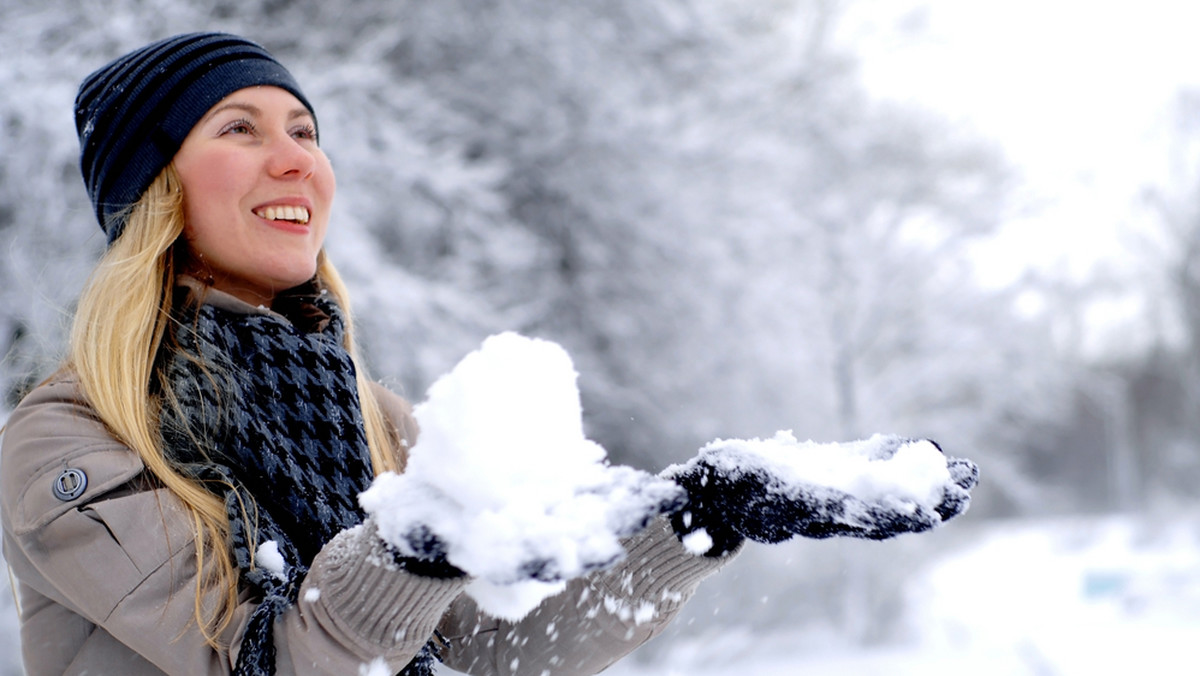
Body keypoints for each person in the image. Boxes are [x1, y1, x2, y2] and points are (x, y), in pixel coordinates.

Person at [0, 33, 977, 676]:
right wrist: (417, 543)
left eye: (305, 130)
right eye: (239, 130)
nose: (297, 158)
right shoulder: (71, 437)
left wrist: (695, 517)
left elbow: (496, 649)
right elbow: (265, 663)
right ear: (155, 193)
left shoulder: (371, 417)